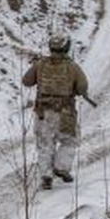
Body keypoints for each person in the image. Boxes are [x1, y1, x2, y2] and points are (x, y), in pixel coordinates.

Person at [22, 33, 91, 189]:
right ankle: (61, 167)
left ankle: (46, 176)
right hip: (65, 112)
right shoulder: (72, 67)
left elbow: (26, 81)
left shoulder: (40, 64)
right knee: (70, 140)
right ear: (66, 48)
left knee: (45, 143)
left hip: (42, 111)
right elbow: (83, 87)